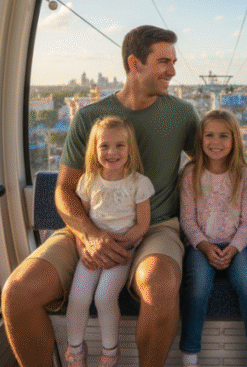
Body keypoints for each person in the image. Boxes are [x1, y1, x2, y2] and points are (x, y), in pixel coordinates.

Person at [2, 25, 199, 367]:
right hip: (89, 224)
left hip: (154, 227)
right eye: (163, 61)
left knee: (161, 286)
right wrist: (89, 234)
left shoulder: (182, 114)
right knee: (17, 293)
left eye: (173, 61)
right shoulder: (89, 118)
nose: (172, 70)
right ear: (135, 64)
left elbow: (217, 163)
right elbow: (65, 189)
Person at [180, 109, 247, 367]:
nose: (215, 142)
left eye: (223, 136)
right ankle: (189, 356)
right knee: (197, 287)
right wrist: (205, 247)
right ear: (200, 139)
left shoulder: (243, 174)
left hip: (235, 246)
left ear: (234, 140)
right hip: (200, 246)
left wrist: (233, 248)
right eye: (209, 135)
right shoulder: (191, 173)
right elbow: (187, 220)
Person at [65, 116, 154, 367]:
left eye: (119, 146)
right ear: (95, 149)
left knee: (104, 297)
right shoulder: (88, 181)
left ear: (130, 149)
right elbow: (82, 221)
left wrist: (121, 244)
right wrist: (84, 247)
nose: (112, 152)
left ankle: (110, 352)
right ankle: (75, 351)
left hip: (122, 251)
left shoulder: (139, 183)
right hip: (93, 250)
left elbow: (142, 225)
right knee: (79, 297)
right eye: (104, 146)